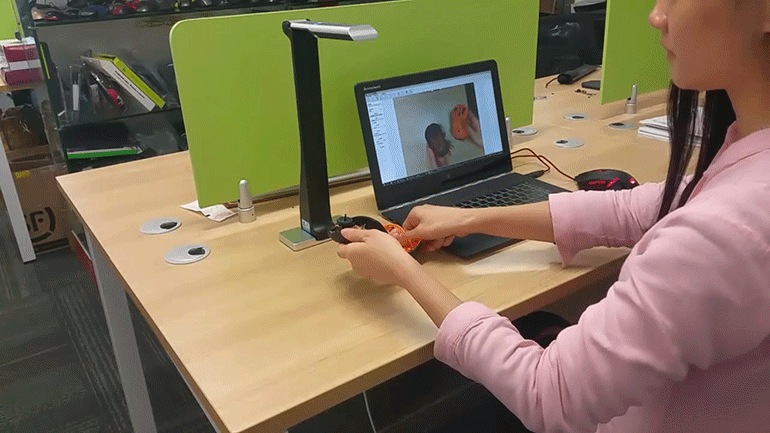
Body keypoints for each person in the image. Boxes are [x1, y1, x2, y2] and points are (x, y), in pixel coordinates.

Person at [336, 1, 770, 432]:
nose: (656, 16)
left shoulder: (724, 230)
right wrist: (468, 219)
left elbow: (548, 393)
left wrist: (403, 271)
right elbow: (632, 209)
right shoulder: (749, 160)